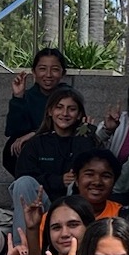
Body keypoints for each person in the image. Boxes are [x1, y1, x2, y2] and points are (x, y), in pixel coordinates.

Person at [10, 86, 95, 222]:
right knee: (23, 183)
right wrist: (59, 181)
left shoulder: (86, 140)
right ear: (50, 111)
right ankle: (21, 242)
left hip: (75, 207)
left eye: (71, 109)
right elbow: (24, 177)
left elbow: (87, 170)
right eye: (59, 107)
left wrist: (83, 136)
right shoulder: (36, 143)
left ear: (79, 114)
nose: (65, 113)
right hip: (42, 204)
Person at [3, 47, 69, 160]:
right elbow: (12, 131)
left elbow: (71, 127)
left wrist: (35, 133)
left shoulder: (69, 97)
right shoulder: (28, 96)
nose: (48, 75)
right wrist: (18, 97)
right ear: (34, 72)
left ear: (63, 73)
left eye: (55, 69)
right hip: (32, 151)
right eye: (42, 69)